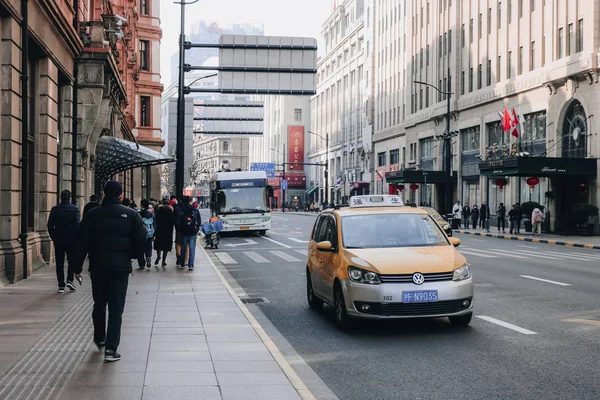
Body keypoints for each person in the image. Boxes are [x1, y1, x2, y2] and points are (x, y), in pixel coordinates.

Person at [82, 180, 146, 362]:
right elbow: (142, 238)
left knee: (99, 303)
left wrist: (75, 267)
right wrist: (132, 255)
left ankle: (100, 338)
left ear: (103, 194)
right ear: (121, 196)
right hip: (120, 268)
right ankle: (111, 349)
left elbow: (81, 241)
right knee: (116, 308)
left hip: (98, 267)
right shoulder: (132, 215)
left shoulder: (92, 214)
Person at [47, 190, 80, 293]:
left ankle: (61, 285)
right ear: (70, 197)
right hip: (71, 240)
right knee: (72, 261)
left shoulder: (55, 209)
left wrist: (54, 236)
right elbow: (77, 226)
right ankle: (70, 280)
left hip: (59, 239)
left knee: (59, 263)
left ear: (61, 197)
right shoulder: (75, 210)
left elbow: (50, 225)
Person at [175, 196, 201, 271]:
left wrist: (179, 230)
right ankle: (191, 265)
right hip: (193, 232)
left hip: (183, 232)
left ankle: (183, 263)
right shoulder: (195, 210)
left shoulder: (181, 210)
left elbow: (178, 222)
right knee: (192, 248)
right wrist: (196, 229)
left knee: (183, 247)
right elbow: (198, 221)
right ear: (190, 201)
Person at [154, 199, 174, 266]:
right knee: (166, 247)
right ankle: (163, 260)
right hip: (167, 231)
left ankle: (158, 256)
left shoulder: (158, 212)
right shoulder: (170, 213)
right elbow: (172, 223)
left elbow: (156, 221)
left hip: (159, 230)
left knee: (158, 245)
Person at [138, 199, 155, 269]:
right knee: (148, 246)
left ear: (141, 204)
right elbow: (154, 223)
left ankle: (141, 263)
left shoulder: (138, 213)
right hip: (149, 232)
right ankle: (148, 257)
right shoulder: (151, 213)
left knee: (140, 248)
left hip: (140, 233)